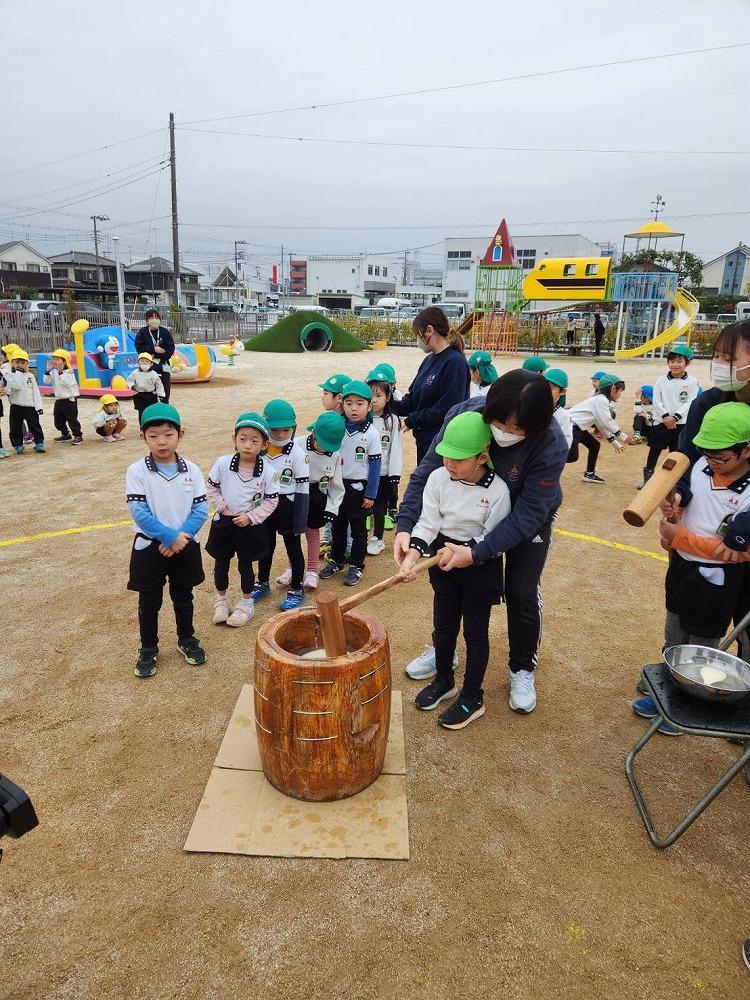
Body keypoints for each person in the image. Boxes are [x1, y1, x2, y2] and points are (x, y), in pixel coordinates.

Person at [396, 369, 569, 714]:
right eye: (499, 423)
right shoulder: (465, 415)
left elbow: (528, 515)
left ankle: (522, 667)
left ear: (535, 426)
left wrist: (477, 553)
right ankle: (444, 653)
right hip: (468, 511)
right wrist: (406, 527)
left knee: (521, 590)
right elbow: (428, 471)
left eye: (516, 429)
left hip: (522, 514)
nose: (504, 433)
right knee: (448, 593)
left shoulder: (550, 442)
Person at [633, 403, 750, 733]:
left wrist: (681, 538)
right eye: (707, 455)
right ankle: (668, 690)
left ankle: (690, 704)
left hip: (717, 582)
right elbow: (688, 498)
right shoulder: (701, 467)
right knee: (674, 634)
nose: (712, 464)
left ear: (747, 451)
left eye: (721, 458)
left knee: (702, 650)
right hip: (682, 570)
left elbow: (738, 554)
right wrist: (676, 506)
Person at [399, 412, 511, 729]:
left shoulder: (498, 491)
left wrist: (468, 551)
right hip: (442, 559)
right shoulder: (438, 478)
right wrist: (412, 555)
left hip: (480, 563)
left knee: (475, 634)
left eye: (459, 459)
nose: (449, 463)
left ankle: (472, 696)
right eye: (446, 455)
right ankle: (445, 680)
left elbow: (495, 536)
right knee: (443, 626)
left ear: (483, 456)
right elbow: (428, 522)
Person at [125, 402, 208, 678]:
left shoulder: (192, 470)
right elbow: (139, 511)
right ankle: (148, 648)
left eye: (168, 434)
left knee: (184, 597)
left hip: (185, 545)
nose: (161, 441)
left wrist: (180, 538)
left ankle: (187, 638)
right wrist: (169, 537)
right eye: (153, 435)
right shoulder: (137, 471)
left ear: (180, 435)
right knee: (149, 602)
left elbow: (200, 509)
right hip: (150, 546)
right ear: (143, 436)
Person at [206, 412, 278, 627]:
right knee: (221, 563)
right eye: (243, 438)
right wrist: (223, 507)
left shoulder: (269, 471)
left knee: (246, 565)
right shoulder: (222, 463)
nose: (248, 445)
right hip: (224, 522)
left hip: (249, 526)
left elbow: (271, 501)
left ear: (264, 445)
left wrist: (250, 517)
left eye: (254, 441)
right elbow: (211, 487)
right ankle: (222, 600)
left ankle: (246, 603)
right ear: (234, 440)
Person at [320, 380, 381, 587]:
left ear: (369, 406)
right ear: (342, 404)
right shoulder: (338, 427)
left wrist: (371, 494)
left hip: (358, 489)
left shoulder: (371, 434)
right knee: (337, 526)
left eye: (359, 403)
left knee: (358, 530)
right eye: (349, 403)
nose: (354, 408)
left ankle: (356, 564)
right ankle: (337, 559)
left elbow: (375, 466)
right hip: (337, 487)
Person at [278, 410, 346, 590]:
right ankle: (292, 569)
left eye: (329, 446)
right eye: (322, 443)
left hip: (317, 495)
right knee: (293, 535)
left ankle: (312, 571)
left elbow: (337, 486)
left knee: (313, 533)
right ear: (314, 431)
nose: (324, 448)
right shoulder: (296, 445)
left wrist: (332, 508)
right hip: (297, 492)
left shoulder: (335, 456)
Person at [252, 399, 310, 611]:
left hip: (289, 505)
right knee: (265, 547)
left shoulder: (297, 454)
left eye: (287, 430)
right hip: (266, 504)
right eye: (275, 430)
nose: (281, 435)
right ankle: (263, 582)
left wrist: (300, 520)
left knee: (293, 548)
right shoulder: (260, 450)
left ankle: (296, 588)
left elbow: (304, 489)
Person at [392, 306, 469, 463]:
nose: (418, 340)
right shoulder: (429, 360)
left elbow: (447, 408)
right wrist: (387, 405)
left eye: (417, 334)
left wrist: (413, 420)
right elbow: (413, 398)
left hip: (442, 443)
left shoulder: (455, 362)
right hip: (423, 440)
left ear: (429, 330)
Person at [641, 345, 700, 489]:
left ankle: (672, 482)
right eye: (672, 361)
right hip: (661, 422)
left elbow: (691, 401)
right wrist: (666, 417)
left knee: (675, 453)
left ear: (687, 363)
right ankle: (647, 480)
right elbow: (656, 399)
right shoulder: (661, 380)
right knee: (654, 450)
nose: (675, 365)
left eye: (679, 361)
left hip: (680, 424)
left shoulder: (692, 381)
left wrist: (676, 417)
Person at [568, 374, 629, 483]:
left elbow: (600, 423)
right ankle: (540, 467)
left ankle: (589, 474)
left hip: (578, 427)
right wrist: (622, 436)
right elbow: (607, 421)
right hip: (570, 427)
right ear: (613, 389)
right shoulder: (600, 400)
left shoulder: (600, 399)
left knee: (594, 445)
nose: (620, 395)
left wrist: (613, 441)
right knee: (571, 456)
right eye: (620, 391)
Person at [366, 374, 402, 556]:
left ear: (387, 397)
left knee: (378, 506)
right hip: (362, 472)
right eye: (370, 395)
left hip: (383, 473)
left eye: (378, 395)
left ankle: (378, 538)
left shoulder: (392, 421)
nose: (374, 400)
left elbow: (396, 448)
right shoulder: (362, 419)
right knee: (362, 506)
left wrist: (394, 474)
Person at [1, 349, 45, 454]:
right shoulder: (10, 375)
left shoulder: (30, 376)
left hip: (30, 406)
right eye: (17, 362)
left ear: (27, 364)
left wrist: (39, 407)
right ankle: (17, 445)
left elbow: (35, 392)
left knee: (35, 425)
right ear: (12, 363)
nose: (20, 365)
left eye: (23, 362)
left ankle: (39, 442)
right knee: (15, 427)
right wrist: (18, 373)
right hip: (16, 406)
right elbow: (16, 385)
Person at [134, 309, 175, 401]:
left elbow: (170, 349)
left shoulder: (165, 332)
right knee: (148, 390)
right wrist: (153, 349)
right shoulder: (142, 332)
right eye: (151, 317)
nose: (154, 320)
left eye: (157, 317)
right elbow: (139, 348)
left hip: (163, 366)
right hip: (147, 366)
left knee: (164, 391)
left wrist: (161, 353)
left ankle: (164, 408)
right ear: (147, 321)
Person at [44, 348, 82, 445]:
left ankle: (78, 435)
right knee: (58, 420)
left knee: (72, 419)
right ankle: (65, 434)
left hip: (69, 399)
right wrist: (47, 371)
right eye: (54, 359)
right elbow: (46, 381)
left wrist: (60, 372)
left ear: (64, 361)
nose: (55, 361)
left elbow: (67, 383)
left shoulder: (69, 371)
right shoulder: (54, 372)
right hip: (59, 399)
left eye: (58, 359)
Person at [127, 353, 165, 419]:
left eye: (147, 361)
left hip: (151, 395)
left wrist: (161, 395)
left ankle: (151, 425)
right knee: (141, 412)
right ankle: (142, 427)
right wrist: (134, 387)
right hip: (139, 395)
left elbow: (159, 385)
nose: (144, 363)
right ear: (138, 362)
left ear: (151, 364)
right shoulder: (135, 373)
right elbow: (129, 381)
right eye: (142, 361)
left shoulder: (154, 374)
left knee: (152, 411)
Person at [544, 368, 573, 449]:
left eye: (551, 388)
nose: (545, 391)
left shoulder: (564, 416)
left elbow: (565, 445)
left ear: (562, 391)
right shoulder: (532, 407)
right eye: (544, 386)